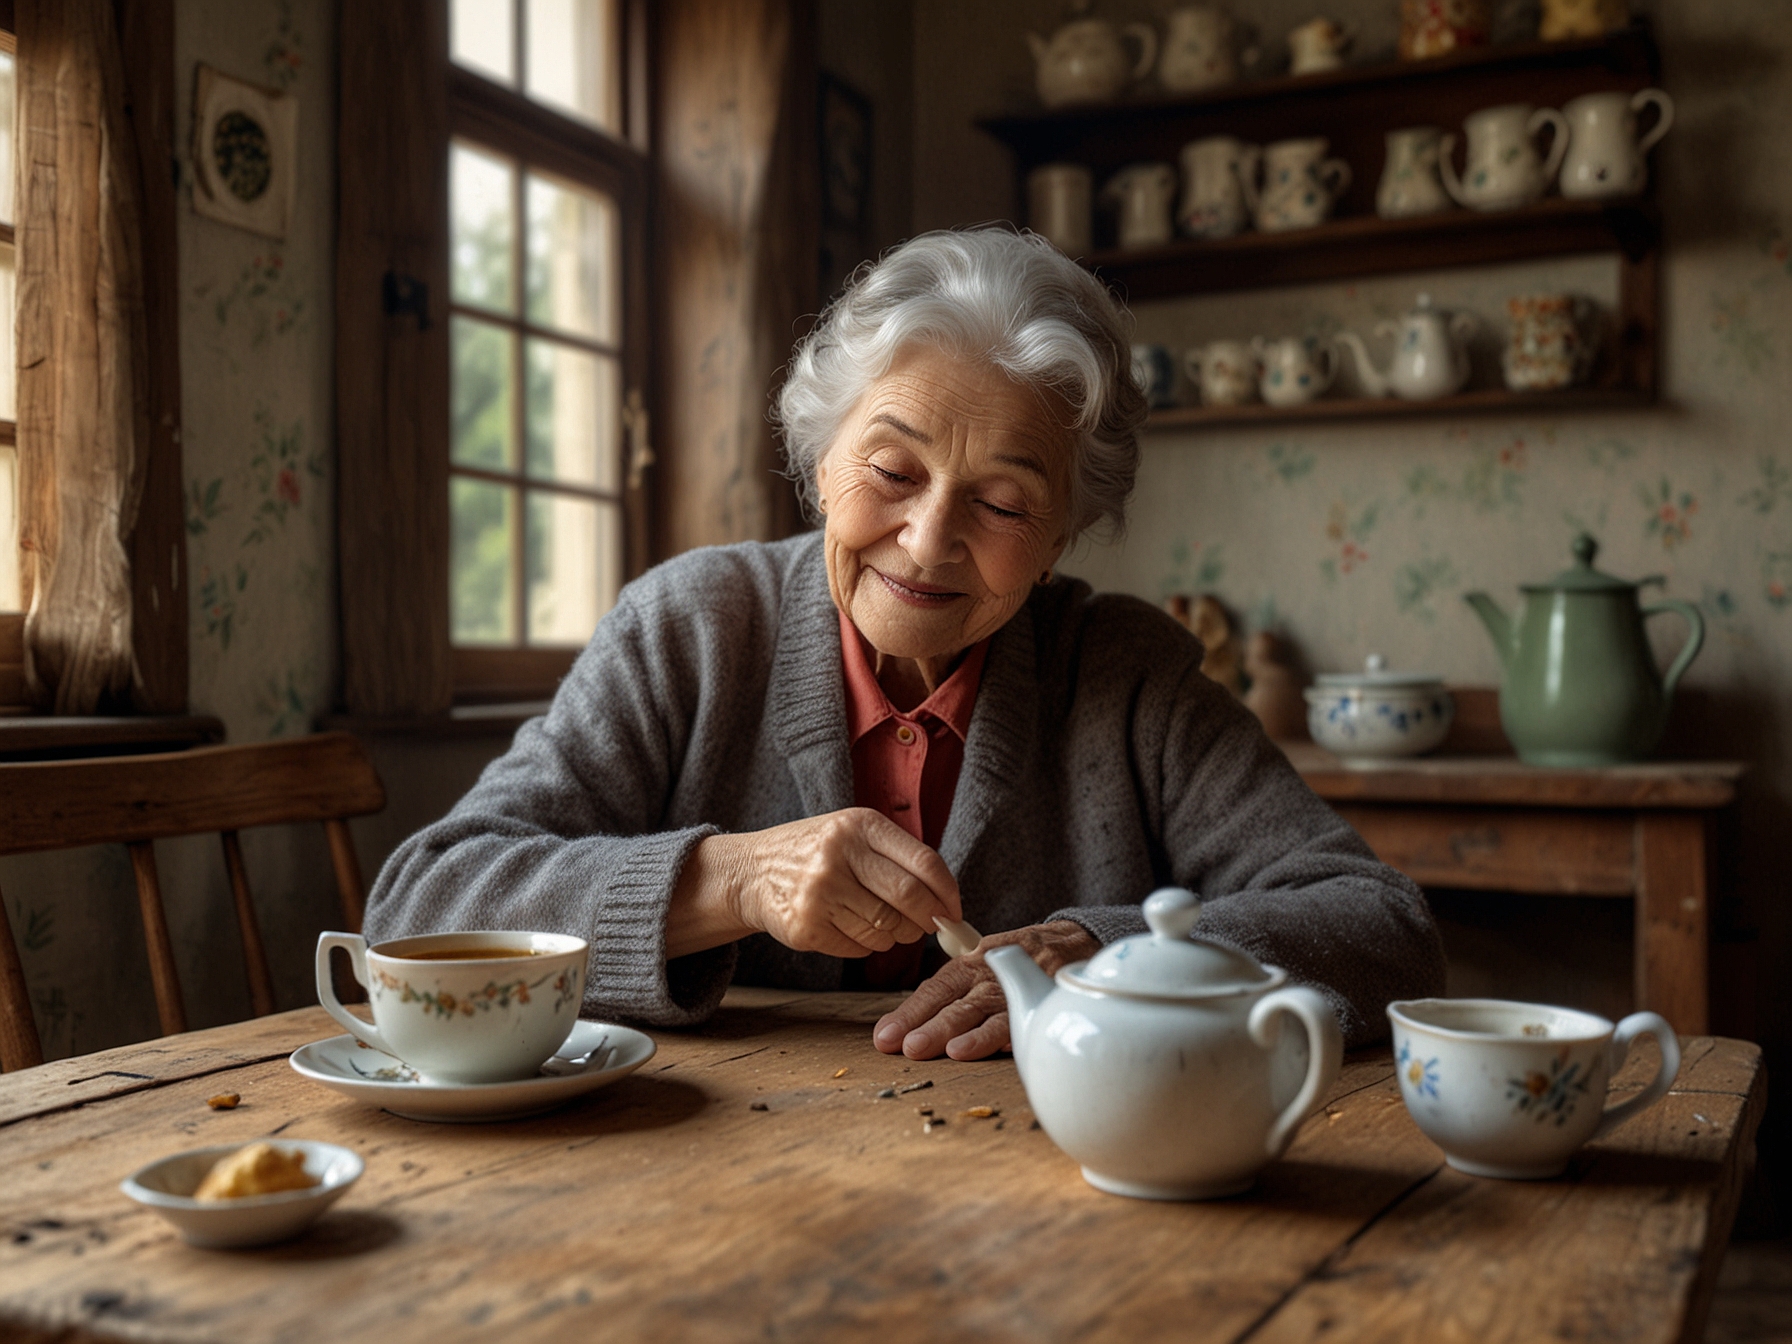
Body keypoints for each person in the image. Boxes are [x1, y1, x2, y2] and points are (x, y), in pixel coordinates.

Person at [364, 228, 1445, 1058]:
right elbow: (421, 906)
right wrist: (733, 877)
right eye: (891, 473)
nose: (928, 543)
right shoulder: (691, 627)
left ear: (1063, 533)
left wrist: (1113, 954)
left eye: (1005, 504)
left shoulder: (1122, 674)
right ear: (820, 457)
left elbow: (1382, 929)